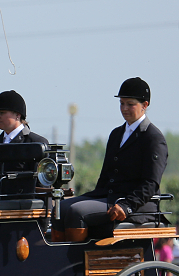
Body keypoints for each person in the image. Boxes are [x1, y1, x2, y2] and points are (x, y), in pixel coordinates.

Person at [52, 77, 167, 242]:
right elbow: (105, 176)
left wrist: (127, 206)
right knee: (60, 208)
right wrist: (93, 198)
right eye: (122, 103)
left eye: (130, 104)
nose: (124, 108)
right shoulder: (116, 134)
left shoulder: (153, 138)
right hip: (109, 197)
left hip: (137, 205)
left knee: (76, 212)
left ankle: (75, 265)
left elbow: (150, 183)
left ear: (145, 105)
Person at [0, 90, 48, 198]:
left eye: (2, 113)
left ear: (17, 115)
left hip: (25, 206)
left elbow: (42, 183)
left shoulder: (36, 143)